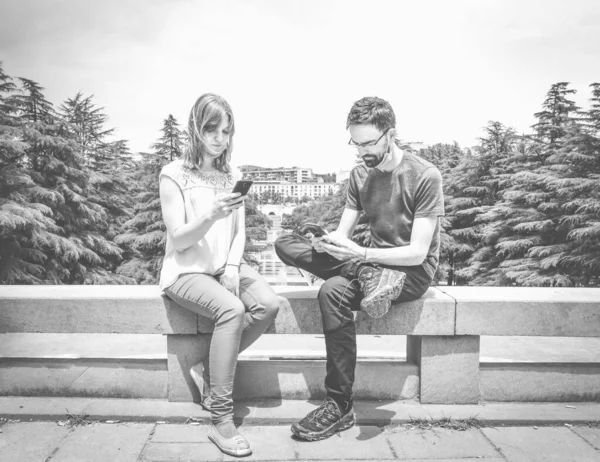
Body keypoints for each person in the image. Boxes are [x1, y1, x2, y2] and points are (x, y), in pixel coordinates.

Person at [275, 96, 445, 441]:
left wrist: (362, 255)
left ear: (390, 134)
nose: (361, 150)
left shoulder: (425, 175)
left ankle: (337, 404)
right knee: (286, 244)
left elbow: (417, 252)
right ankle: (340, 405)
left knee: (335, 287)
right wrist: (328, 243)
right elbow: (344, 233)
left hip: (409, 273)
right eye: (355, 142)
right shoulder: (360, 174)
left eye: (369, 142)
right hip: (368, 265)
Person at [159, 93, 281, 457]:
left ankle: (208, 373)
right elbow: (179, 240)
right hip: (186, 271)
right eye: (211, 129)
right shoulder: (173, 174)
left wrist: (231, 267)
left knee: (268, 304)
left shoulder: (232, 174)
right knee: (232, 310)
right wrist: (211, 214)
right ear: (196, 127)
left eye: (226, 131)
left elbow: (239, 230)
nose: (219, 138)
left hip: (223, 266)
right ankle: (221, 418)